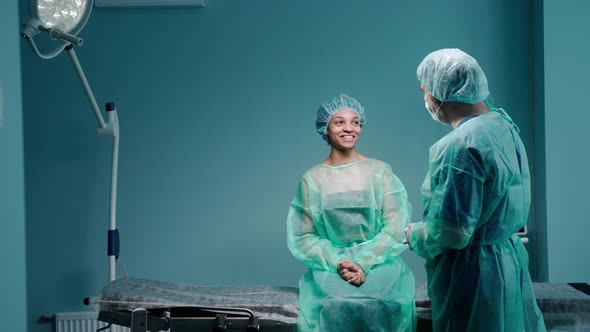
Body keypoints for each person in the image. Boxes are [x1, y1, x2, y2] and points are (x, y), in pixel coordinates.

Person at [404, 48, 546, 331]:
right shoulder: (503, 126)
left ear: (439, 91)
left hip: (474, 275)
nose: (426, 99)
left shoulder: (461, 145)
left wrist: (413, 234)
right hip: (506, 261)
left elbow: (452, 232)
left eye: (425, 92)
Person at [287, 94, 416, 332]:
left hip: (379, 264)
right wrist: (339, 262)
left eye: (355, 122)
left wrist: (364, 262)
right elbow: (303, 236)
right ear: (325, 128)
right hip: (332, 268)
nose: (349, 128)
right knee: (336, 305)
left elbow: (397, 226)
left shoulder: (379, 171)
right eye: (339, 122)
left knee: (381, 304)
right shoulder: (313, 179)